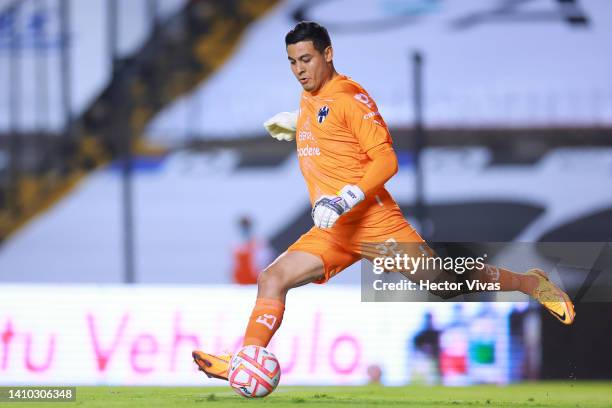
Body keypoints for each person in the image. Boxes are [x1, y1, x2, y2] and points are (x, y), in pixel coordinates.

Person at [192, 21, 575, 381]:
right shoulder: (311, 97)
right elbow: (332, 130)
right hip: (333, 231)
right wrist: (298, 123)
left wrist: (345, 199)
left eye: (306, 59)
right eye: (292, 62)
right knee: (271, 278)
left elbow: (386, 159)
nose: (299, 70)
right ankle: (244, 358)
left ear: (328, 53)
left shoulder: (350, 96)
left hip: (374, 224)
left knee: (443, 283)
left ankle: (530, 284)